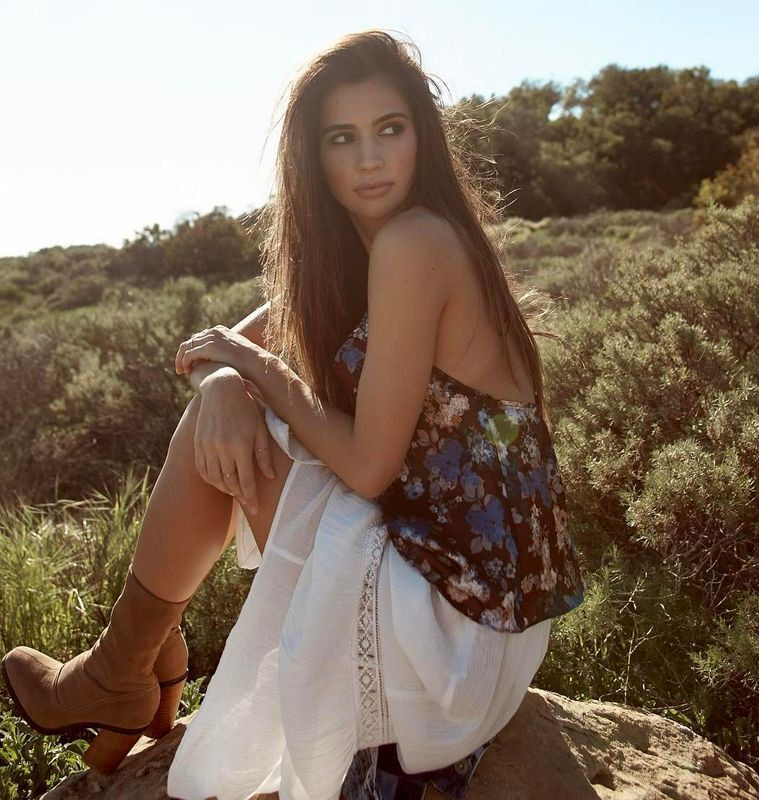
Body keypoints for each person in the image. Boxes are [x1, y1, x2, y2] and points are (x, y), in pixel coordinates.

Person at [1, 29, 587, 800]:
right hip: (483, 618)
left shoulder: (415, 242)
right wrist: (224, 384)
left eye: (389, 129)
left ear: (421, 136)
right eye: (343, 138)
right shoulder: (363, 254)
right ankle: (129, 667)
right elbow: (218, 350)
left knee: (247, 424)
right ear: (314, 155)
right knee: (228, 413)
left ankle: (120, 672)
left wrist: (256, 375)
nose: (369, 159)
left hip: (451, 640)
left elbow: (367, 466)